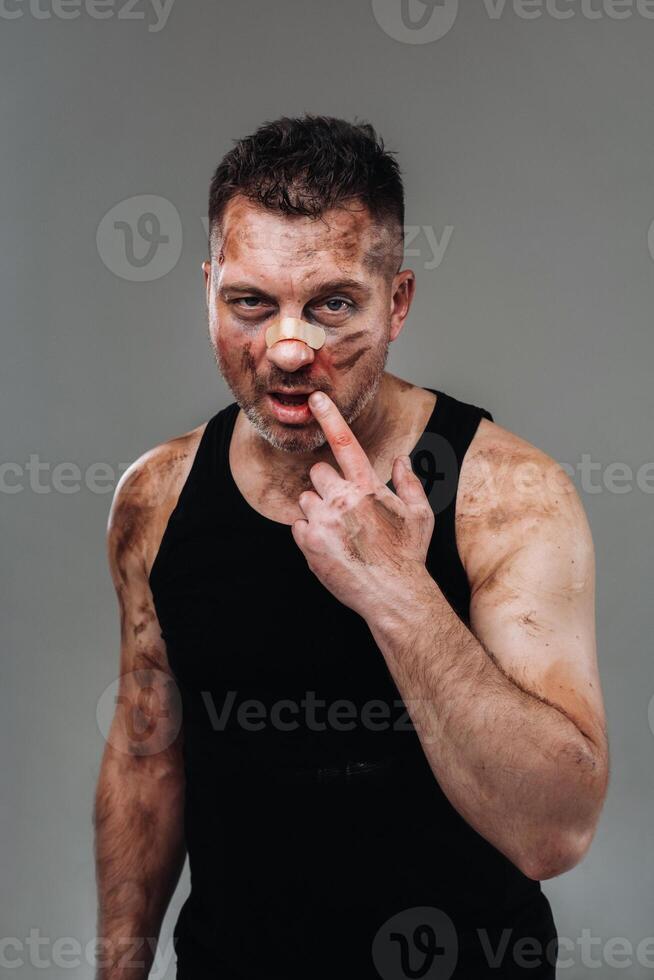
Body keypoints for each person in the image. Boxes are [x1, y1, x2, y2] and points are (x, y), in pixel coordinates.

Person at [93, 115, 609, 979]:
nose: (289, 348)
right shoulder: (156, 496)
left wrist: (397, 593)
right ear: (208, 288)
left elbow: (554, 830)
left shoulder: (508, 496)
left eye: (332, 305)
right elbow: (148, 758)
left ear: (397, 302)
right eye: (250, 303)